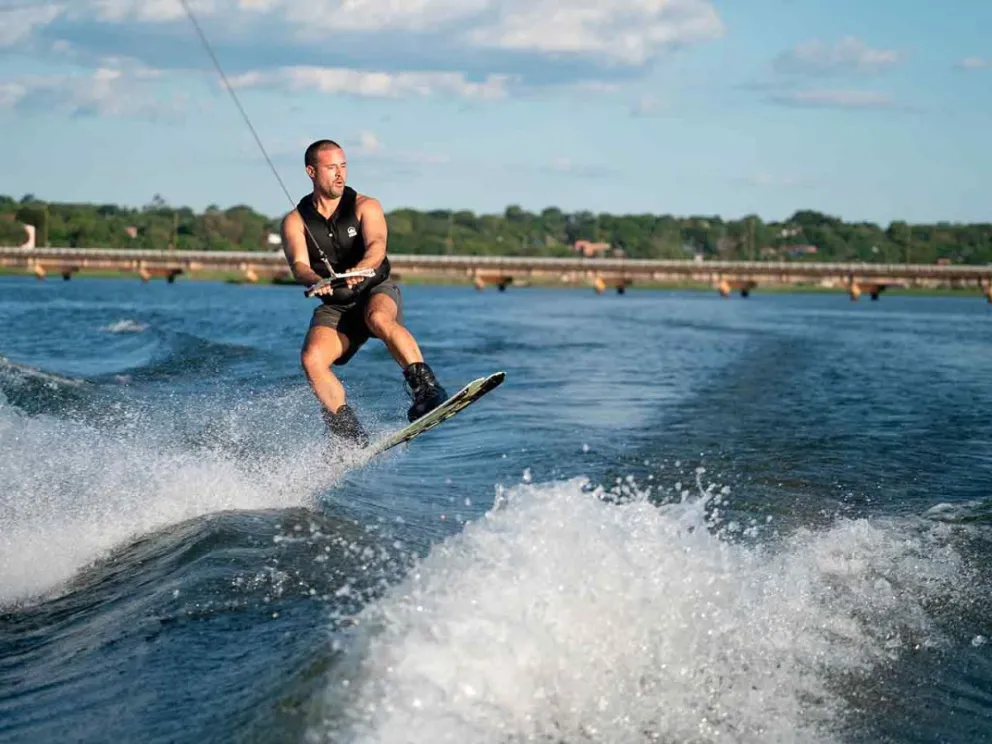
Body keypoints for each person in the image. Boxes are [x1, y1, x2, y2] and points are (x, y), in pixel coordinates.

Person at [280, 138, 448, 446]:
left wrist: (362, 270)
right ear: (311, 172)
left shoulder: (365, 206)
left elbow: (377, 247)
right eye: (331, 168)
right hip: (337, 306)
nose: (340, 174)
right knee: (312, 359)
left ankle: (427, 389)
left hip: (375, 289)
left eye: (343, 166)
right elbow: (299, 265)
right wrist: (316, 280)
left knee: (379, 319)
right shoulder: (295, 221)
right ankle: (348, 433)